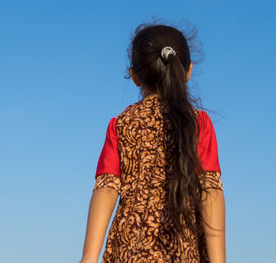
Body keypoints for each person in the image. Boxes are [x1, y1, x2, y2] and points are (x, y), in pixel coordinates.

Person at [78, 23, 226, 263]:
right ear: (187, 71)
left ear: (134, 75)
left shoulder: (120, 124)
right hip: (182, 252)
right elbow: (210, 191)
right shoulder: (197, 123)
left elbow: (106, 187)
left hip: (128, 251)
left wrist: (88, 257)